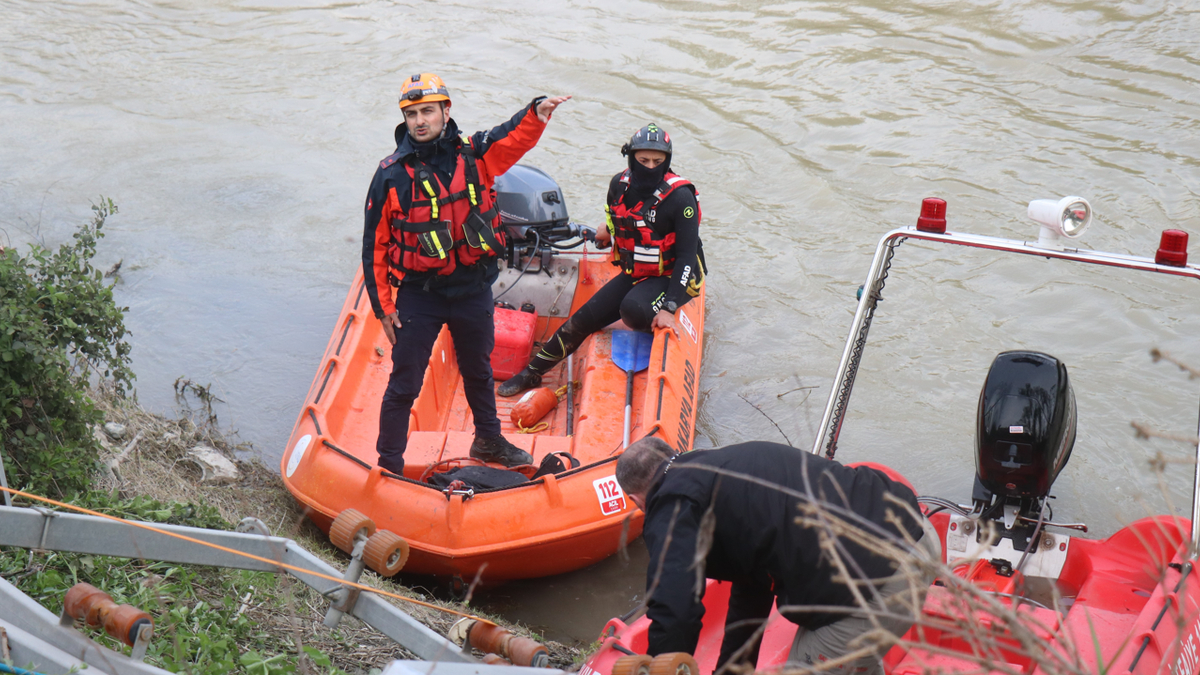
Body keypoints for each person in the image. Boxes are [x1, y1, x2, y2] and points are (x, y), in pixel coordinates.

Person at [362, 72, 570, 475]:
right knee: (404, 384)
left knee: (478, 369)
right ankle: (388, 463)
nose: (420, 121)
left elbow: (511, 137)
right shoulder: (390, 175)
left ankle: (488, 439)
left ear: (446, 110)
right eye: (412, 114)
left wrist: (537, 112)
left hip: (473, 287)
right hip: (420, 294)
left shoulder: (475, 154)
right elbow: (375, 248)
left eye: (427, 111)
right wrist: (384, 308)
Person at [615, 438, 941, 673]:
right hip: (919, 535)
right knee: (851, 658)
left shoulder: (671, 501)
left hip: (879, 579)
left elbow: (675, 608)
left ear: (635, 499)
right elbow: (752, 585)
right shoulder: (722, 470)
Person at [496, 123, 705, 397]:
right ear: (631, 158)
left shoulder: (681, 198)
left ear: (668, 160)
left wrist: (669, 307)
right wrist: (607, 232)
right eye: (643, 160)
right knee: (582, 319)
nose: (650, 167)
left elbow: (688, 256)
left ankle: (652, 308)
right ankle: (532, 373)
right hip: (638, 270)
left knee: (633, 310)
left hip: (675, 276)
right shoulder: (619, 185)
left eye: (658, 161)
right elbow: (614, 216)